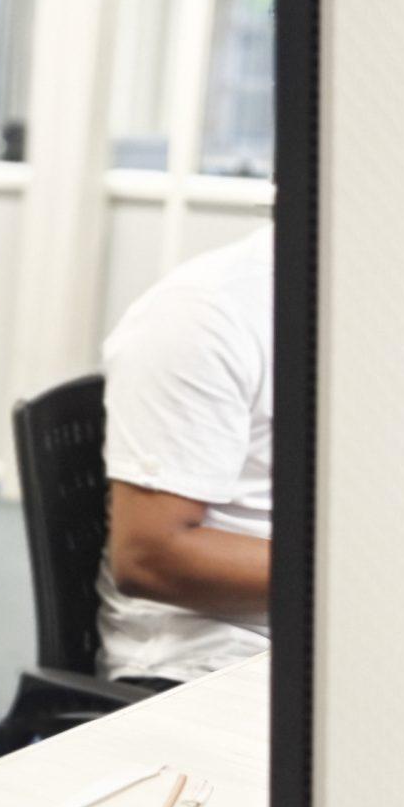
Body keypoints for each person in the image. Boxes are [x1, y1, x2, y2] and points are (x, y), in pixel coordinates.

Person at [98, 224, 273, 683]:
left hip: (351, 637)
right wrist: (371, 584)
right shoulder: (206, 313)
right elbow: (151, 555)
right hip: (221, 656)